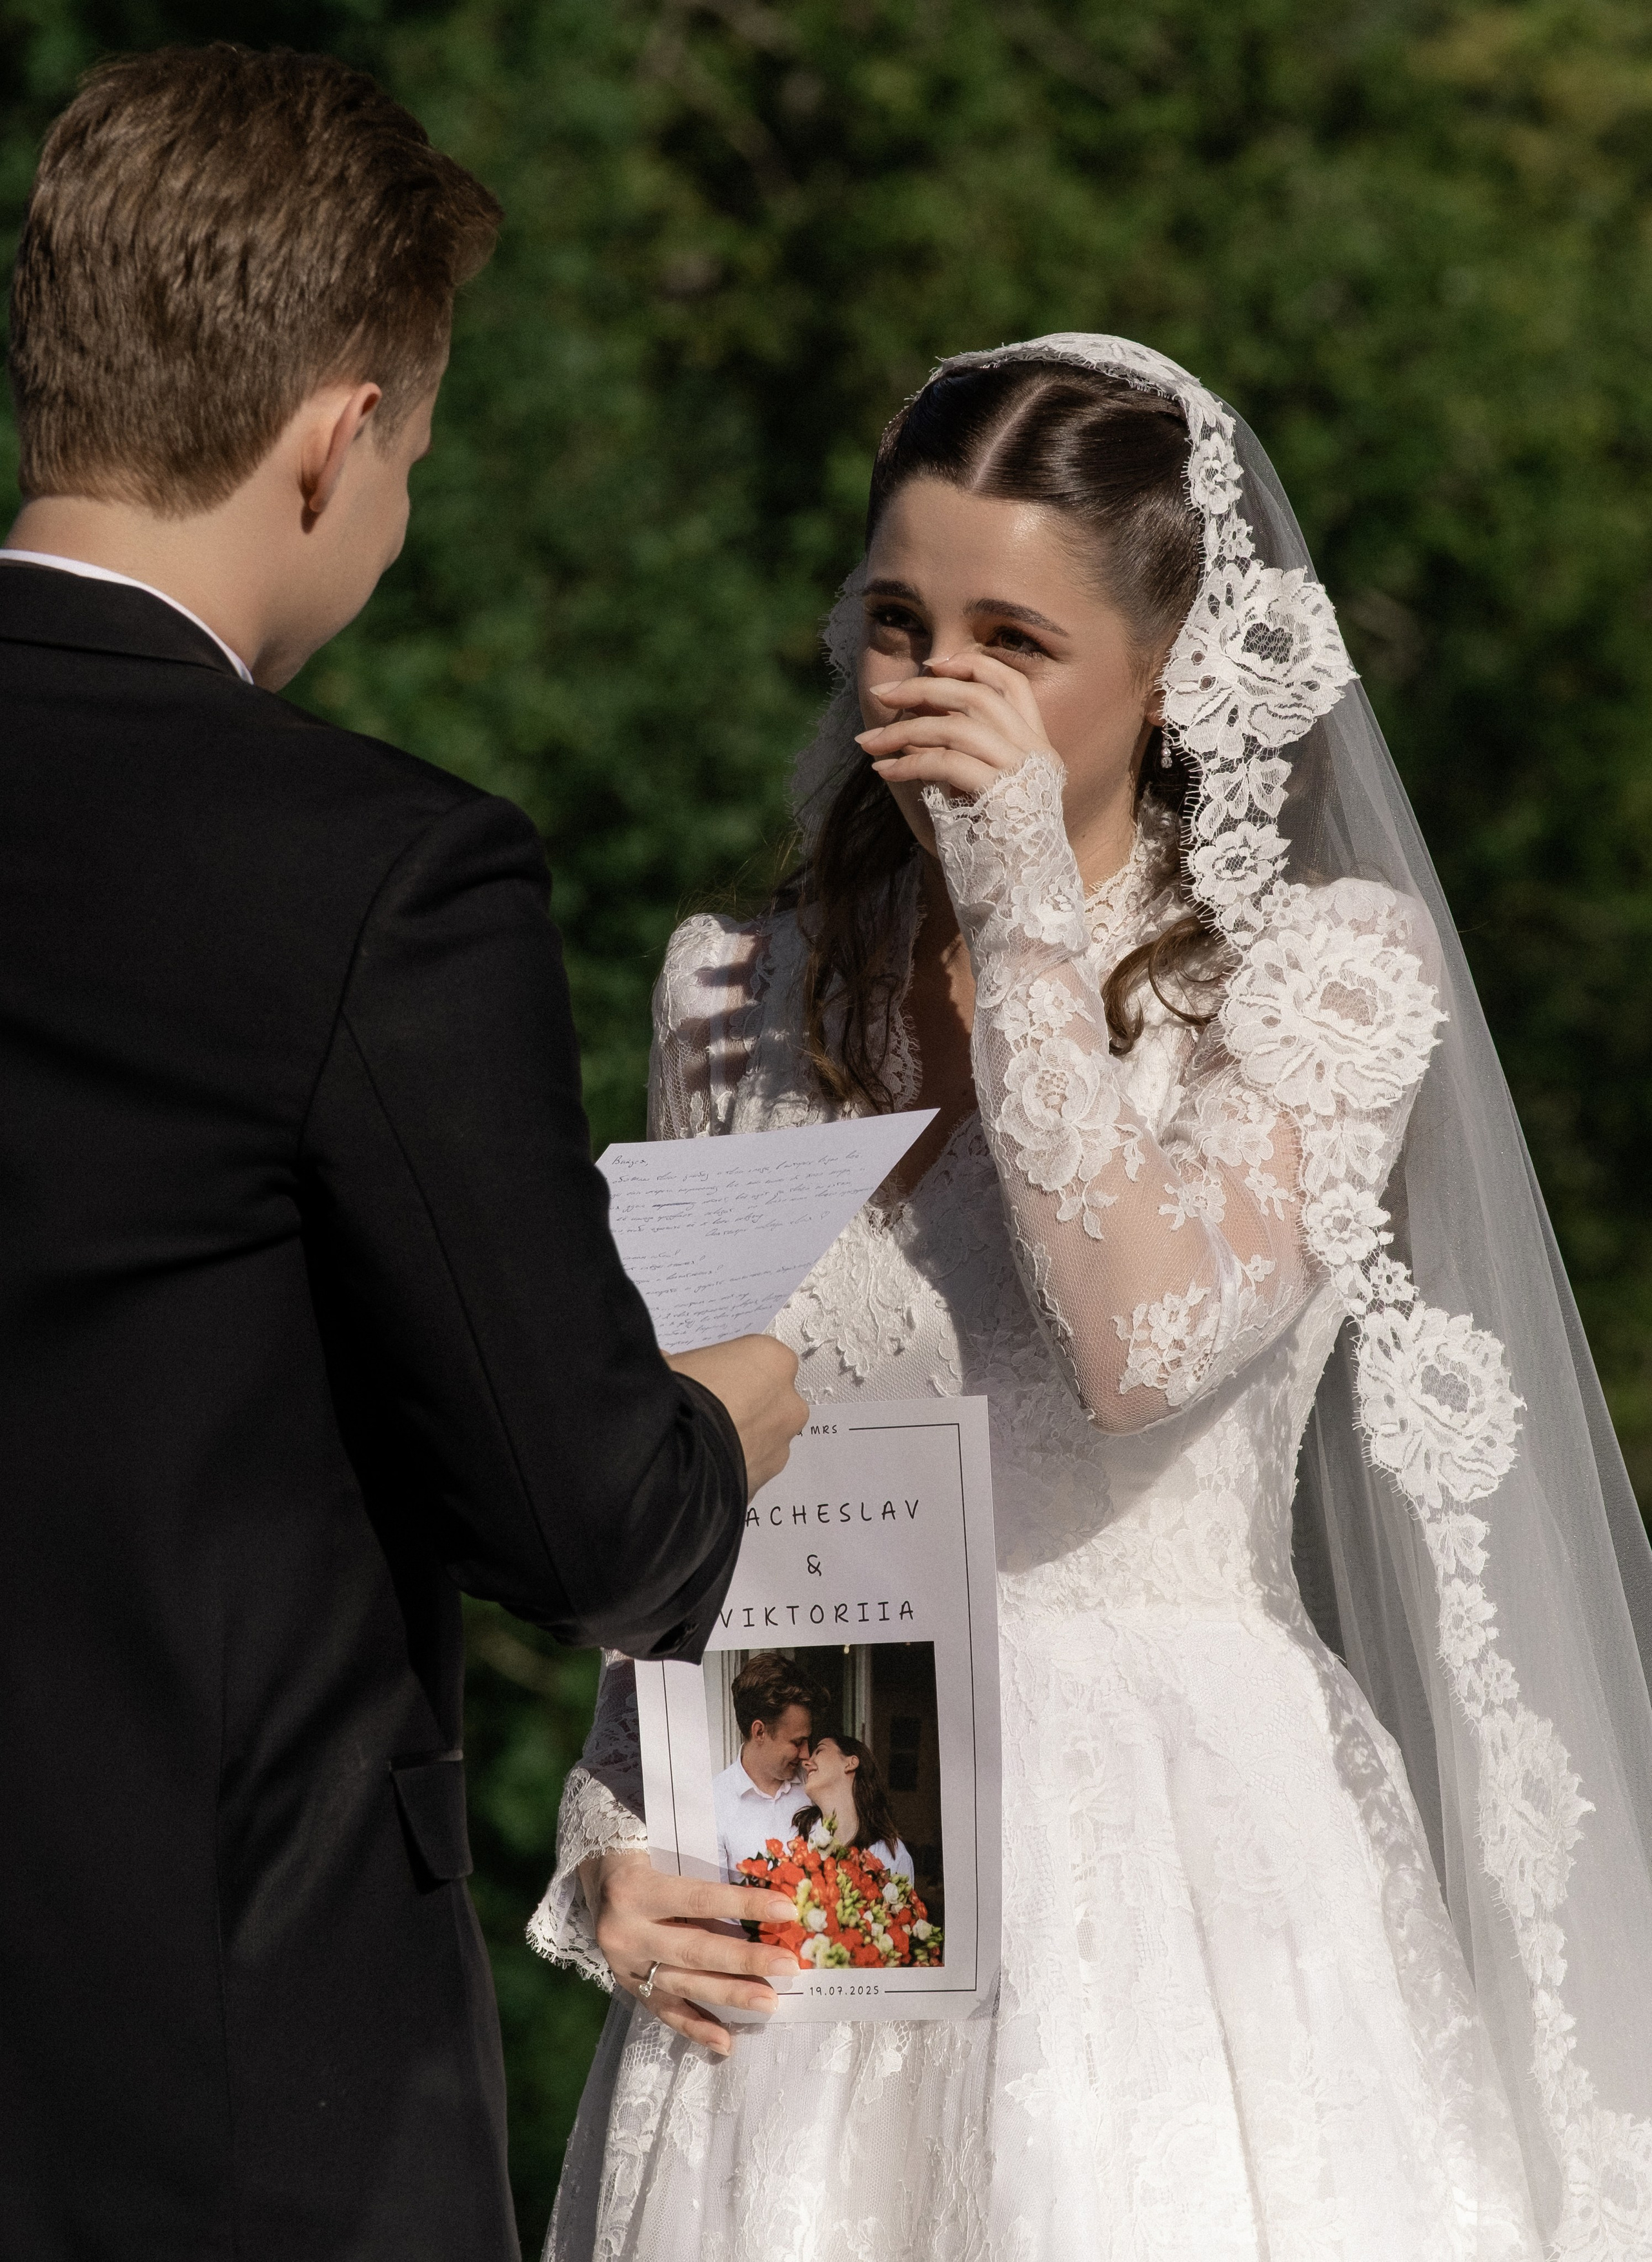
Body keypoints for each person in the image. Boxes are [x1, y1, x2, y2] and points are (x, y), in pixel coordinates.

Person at [536, 336, 1652, 2260]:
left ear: (1167, 672)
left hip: (1177, 1870)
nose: (937, 689)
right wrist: (616, 1841)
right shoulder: (731, 985)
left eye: (1011, 642)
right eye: (898, 620)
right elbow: (698, 1486)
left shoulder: (1320, 978)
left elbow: (1133, 1346)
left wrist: (1020, 912)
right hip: (835, 1856)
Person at [0, 45, 805, 2262]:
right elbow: (590, 1522)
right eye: (419, 455)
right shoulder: (376, 876)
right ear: (339, 436)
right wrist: (753, 1385)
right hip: (229, 2065)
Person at [711, 1653, 817, 1879]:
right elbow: (717, 1908)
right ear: (759, 1732)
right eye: (797, 1742)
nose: (807, 1754)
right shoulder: (714, 1803)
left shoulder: (817, 1786)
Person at [791, 1733, 914, 1882]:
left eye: (820, 1751)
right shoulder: (798, 1837)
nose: (806, 1763)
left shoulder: (891, 1854)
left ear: (851, 1763)